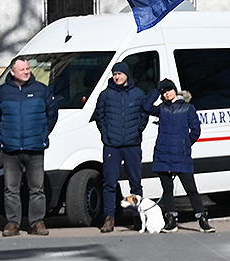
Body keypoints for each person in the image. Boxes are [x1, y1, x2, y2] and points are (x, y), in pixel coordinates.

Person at [0, 56, 54, 235]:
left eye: (28, 69)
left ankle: (37, 222)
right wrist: (3, 137)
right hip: (11, 148)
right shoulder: (1, 93)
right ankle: (12, 223)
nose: (26, 72)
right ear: (12, 72)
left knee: (37, 188)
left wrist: (42, 133)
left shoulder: (42, 90)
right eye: (22, 69)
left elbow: (52, 115)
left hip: (35, 147)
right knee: (10, 189)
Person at [91, 60, 150, 232]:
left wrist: (138, 130)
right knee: (109, 183)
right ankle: (109, 218)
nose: (117, 77)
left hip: (132, 144)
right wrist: (106, 134)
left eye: (120, 74)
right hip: (112, 146)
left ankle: (138, 216)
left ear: (126, 75)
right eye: (115, 74)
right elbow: (99, 116)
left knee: (135, 183)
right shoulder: (106, 95)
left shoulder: (138, 94)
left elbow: (143, 114)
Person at [149, 78, 212, 231]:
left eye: (168, 90)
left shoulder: (188, 108)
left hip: (180, 155)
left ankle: (202, 219)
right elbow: (146, 107)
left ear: (175, 90)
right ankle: (171, 221)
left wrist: (185, 144)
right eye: (163, 92)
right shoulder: (161, 109)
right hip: (163, 154)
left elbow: (196, 130)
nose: (166, 94)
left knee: (191, 188)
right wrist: (156, 91)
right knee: (167, 190)